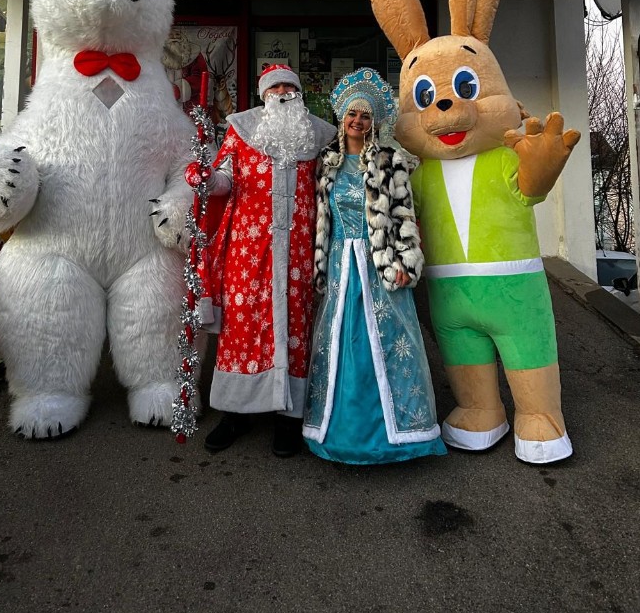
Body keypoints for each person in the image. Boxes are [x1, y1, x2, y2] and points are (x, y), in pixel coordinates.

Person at [186, 63, 336, 456]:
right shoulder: (241, 129)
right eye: (276, 87)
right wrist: (205, 177)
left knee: (295, 331)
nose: (283, 92)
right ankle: (235, 413)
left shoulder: (319, 136)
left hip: (299, 254)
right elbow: (224, 180)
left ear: (299, 93)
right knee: (242, 332)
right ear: (263, 94)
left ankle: (288, 418)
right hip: (248, 254)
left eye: (290, 86)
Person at [302, 68, 447, 465]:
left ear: (374, 122)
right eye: (352, 114)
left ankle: (401, 434)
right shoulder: (326, 164)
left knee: (385, 343)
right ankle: (337, 430)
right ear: (341, 117)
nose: (357, 122)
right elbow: (320, 222)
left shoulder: (389, 161)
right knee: (340, 342)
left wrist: (404, 262)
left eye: (365, 116)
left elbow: (403, 216)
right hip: (338, 267)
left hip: (377, 264)